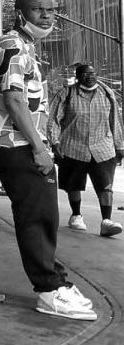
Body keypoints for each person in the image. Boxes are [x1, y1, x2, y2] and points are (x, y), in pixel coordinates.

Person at [0, 0, 96, 321]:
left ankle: (55, 281)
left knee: (44, 216)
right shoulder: (12, 46)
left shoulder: (25, 47)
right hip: (18, 144)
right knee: (38, 217)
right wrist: (38, 147)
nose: (47, 16)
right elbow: (14, 99)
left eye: (51, 10)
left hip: (21, 142)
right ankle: (49, 290)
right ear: (20, 14)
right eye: (38, 10)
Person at [49, 62, 124, 238]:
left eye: (93, 73)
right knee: (74, 184)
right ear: (78, 77)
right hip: (74, 147)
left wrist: (120, 145)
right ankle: (76, 215)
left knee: (106, 185)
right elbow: (54, 119)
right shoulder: (66, 94)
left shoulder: (107, 93)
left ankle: (106, 221)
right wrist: (54, 142)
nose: (90, 76)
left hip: (102, 148)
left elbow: (115, 120)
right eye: (85, 74)